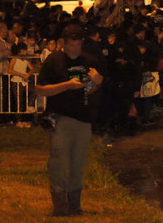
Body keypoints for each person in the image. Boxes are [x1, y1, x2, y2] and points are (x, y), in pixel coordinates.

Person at [35, 23, 103, 216]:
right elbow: (40, 89)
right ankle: (60, 207)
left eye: (78, 45)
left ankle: (75, 206)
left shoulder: (89, 60)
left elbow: (92, 89)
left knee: (78, 163)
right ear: (63, 43)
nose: (75, 49)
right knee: (59, 162)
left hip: (83, 119)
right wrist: (66, 86)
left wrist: (97, 83)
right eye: (71, 45)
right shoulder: (53, 60)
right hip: (60, 118)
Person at [8, 43, 35, 128]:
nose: (25, 51)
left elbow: (32, 69)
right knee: (19, 102)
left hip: (24, 82)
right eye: (23, 50)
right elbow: (9, 70)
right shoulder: (14, 59)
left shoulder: (26, 60)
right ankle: (19, 121)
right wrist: (21, 74)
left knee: (34, 91)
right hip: (16, 82)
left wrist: (28, 74)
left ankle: (29, 109)